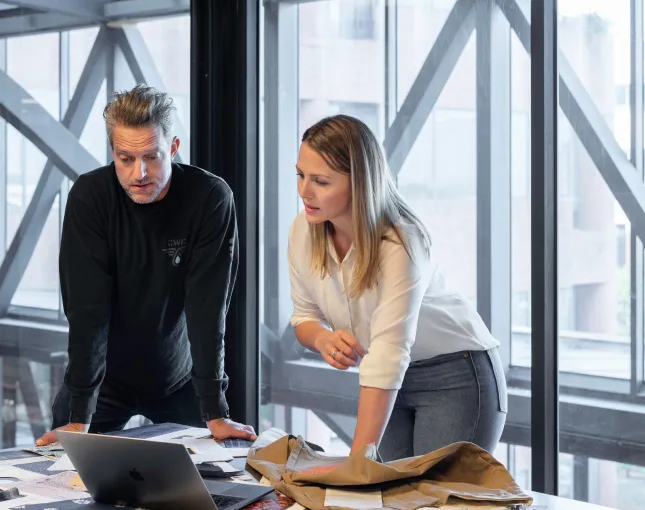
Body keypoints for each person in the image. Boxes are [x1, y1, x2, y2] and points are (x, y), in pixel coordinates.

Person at [37, 85, 256, 446]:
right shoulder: (90, 197)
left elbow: (207, 310)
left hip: (180, 379)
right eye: (125, 158)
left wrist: (216, 410)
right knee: (66, 475)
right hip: (102, 381)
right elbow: (87, 312)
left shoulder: (210, 199)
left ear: (173, 147)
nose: (139, 173)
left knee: (209, 483)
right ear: (112, 152)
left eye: (151, 157)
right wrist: (79, 416)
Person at [288, 115, 507, 462]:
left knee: (432, 506)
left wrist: (355, 466)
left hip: (454, 376)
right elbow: (303, 317)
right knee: (389, 500)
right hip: (386, 377)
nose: (304, 191)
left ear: (359, 182)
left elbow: (389, 354)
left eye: (321, 181)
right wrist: (323, 338)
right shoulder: (303, 231)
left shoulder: (401, 242)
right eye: (300, 175)